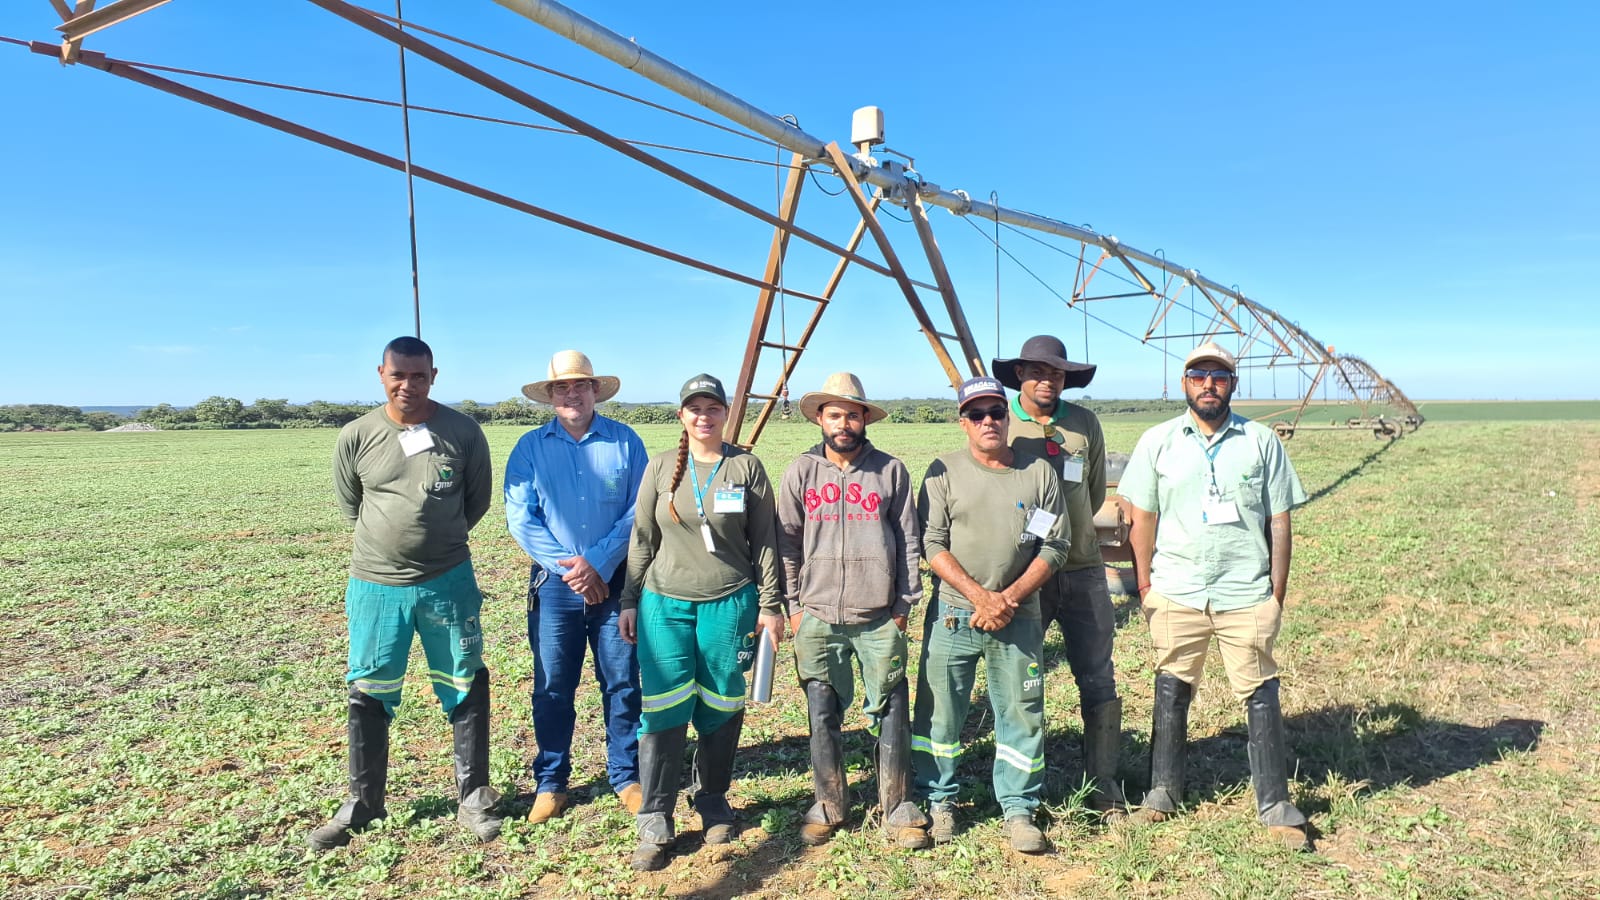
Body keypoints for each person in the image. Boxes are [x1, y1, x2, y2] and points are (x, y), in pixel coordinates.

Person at [1118, 341, 1313, 851]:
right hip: (1176, 589)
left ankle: (1276, 804)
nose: (1209, 384)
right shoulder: (1158, 441)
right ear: (1184, 384)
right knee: (1171, 684)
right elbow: (1142, 519)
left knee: (1260, 691)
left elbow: (1279, 521)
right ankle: (1163, 791)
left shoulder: (1261, 441)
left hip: (1245, 589)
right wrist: (1145, 586)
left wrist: (1275, 594)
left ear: (1233, 384)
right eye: (1199, 375)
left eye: (1219, 376)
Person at [309, 336, 502, 850]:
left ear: (434, 376)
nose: (408, 385)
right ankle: (364, 803)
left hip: (448, 581)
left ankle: (473, 797)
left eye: (419, 376)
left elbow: (476, 501)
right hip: (376, 585)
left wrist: (437, 542)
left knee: (464, 678)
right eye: (398, 375)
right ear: (381, 374)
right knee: (369, 684)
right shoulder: (358, 434)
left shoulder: (463, 431)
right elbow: (352, 504)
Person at [617, 374, 784, 871]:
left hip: (730, 603)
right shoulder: (660, 466)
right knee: (663, 705)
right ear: (681, 415)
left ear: (726, 413)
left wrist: (770, 606)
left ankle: (711, 798)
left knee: (722, 701)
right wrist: (629, 599)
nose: (704, 416)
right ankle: (655, 814)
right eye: (695, 408)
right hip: (664, 604)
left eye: (713, 408)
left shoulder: (745, 466)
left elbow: (766, 541)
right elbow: (642, 538)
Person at [911, 375, 1069, 853]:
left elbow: (1054, 544)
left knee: (1022, 712)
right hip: (954, 613)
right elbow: (931, 543)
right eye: (976, 414)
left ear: (1007, 417)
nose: (988, 422)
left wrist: (1008, 598)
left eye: (996, 412)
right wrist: (980, 596)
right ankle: (939, 800)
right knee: (939, 712)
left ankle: (1019, 809)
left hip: (1018, 615)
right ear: (963, 422)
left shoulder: (1038, 473)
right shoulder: (942, 471)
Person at [777, 373, 932, 850]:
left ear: (865, 419)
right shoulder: (801, 471)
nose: (843, 423)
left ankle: (898, 806)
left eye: (852, 414)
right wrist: (795, 607)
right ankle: (828, 804)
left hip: (880, 614)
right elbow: (787, 544)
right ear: (820, 420)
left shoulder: (890, 471)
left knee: (892, 708)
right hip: (817, 613)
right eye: (834, 414)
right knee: (822, 709)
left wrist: (903, 605)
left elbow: (908, 541)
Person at [505, 350, 648, 824]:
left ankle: (626, 776)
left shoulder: (626, 442)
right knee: (552, 686)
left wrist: (598, 564)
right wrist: (574, 571)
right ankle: (551, 782)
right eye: (562, 387)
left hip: (615, 584)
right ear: (550, 395)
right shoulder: (529, 448)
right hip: (554, 587)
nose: (572, 394)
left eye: (580, 385)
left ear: (595, 391)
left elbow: (639, 511)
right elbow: (522, 519)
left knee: (622, 681)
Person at [992, 335, 1128, 819]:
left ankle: (1103, 781)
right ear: (1020, 376)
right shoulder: (1003, 422)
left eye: (1055, 373)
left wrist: (1071, 535)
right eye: (1037, 371)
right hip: (1026, 573)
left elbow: (1092, 494)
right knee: (1023, 678)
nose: (1047, 380)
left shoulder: (1084, 423)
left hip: (1083, 567)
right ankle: (1022, 789)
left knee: (1098, 675)